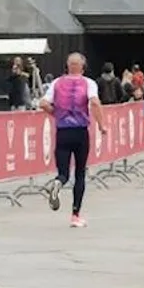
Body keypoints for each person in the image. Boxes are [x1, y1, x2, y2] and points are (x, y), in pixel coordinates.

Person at [41, 53, 104, 228]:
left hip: (62, 131)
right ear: (83, 67)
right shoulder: (89, 83)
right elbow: (95, 102)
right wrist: (102, 125)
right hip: (80, 131)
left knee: (64, 173)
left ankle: (58, 182)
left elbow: (43, 103)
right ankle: (75, 215)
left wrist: (57, 113)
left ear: (68, 66)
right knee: (80, 173)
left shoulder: (57, 83)